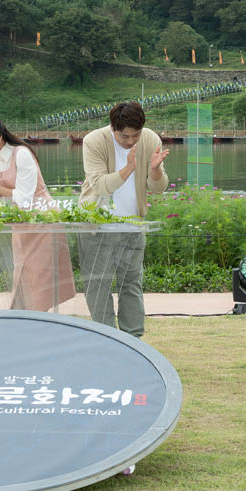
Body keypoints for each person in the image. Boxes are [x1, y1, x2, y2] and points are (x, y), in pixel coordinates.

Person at [78, 100, 169, 336]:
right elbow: (99, 185)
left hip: (132, 226)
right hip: (96, 227)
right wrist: (129, 168)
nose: (130, 142)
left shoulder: (150, 139)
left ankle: (133, 340)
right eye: (124, 137)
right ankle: (107, 339)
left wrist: (155, 170)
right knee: (97, 286)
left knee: (131, 283)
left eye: (135, 136)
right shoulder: (93, 141)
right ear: (113, 128)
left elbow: (158, 188)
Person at [0, 110, 75, 311]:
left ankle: (41, 323)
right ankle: (26, 322)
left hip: (43, 223)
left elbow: (25, 199)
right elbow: (0, 199)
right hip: (21, 225)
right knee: (23, 276)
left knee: (40, 282)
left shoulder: (21, 154)